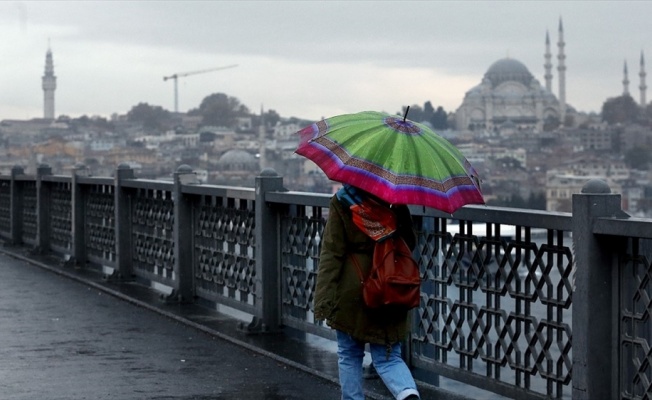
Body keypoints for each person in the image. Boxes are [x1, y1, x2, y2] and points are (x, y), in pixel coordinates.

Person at [314, 184, 420, 400]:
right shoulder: (394, 200)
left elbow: (332, 253)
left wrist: (323, 298)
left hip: (353, 289)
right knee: (389, 357)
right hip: (389, 286)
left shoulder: (343, 201)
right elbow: (409, 243)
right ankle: (408, 394)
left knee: (349, 354)